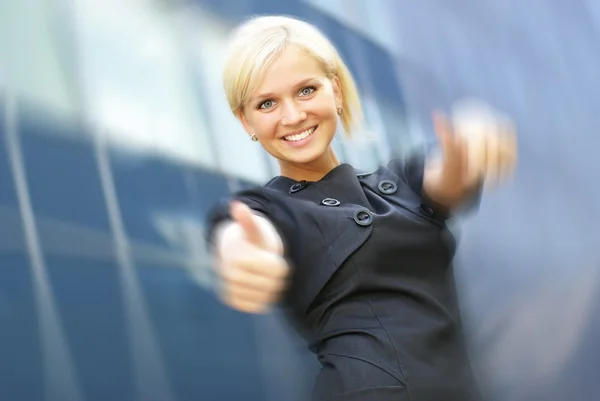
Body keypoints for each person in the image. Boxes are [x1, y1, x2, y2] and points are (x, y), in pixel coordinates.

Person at [206, 15, 517, 401]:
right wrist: (241, 251)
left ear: (335, 91)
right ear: (245, 121)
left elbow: (448, 176)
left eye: (305, 90)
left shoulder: (403, 179)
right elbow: (243, 229)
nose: (292, 116)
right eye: (267, 103)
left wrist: (472, 141)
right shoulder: (271, 208)